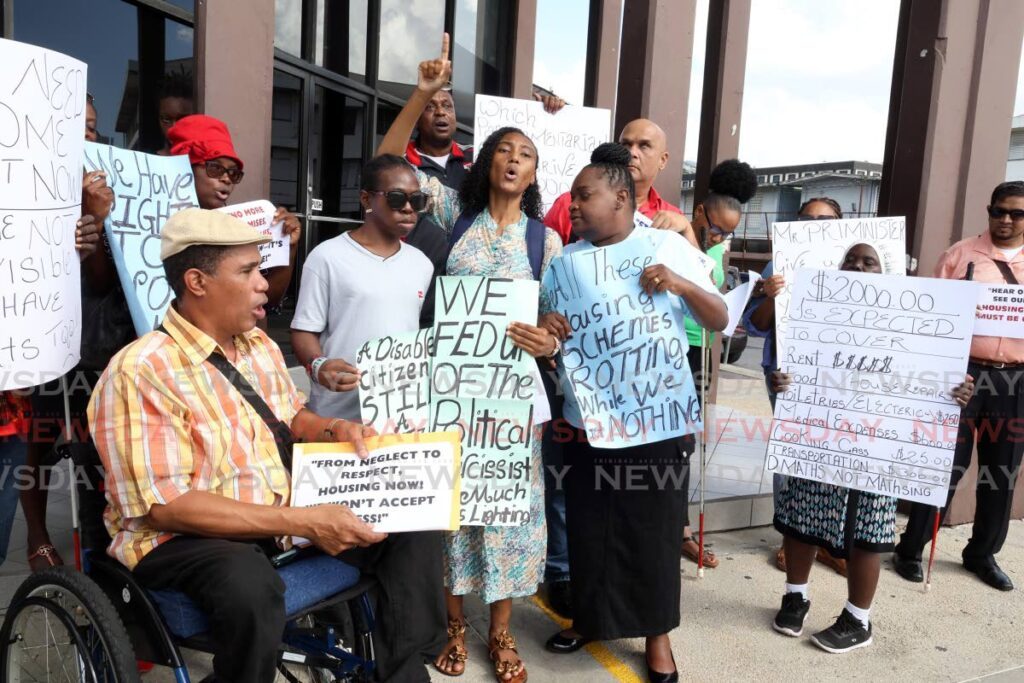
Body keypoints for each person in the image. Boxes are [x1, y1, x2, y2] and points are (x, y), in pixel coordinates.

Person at [88, 208, 444, 682]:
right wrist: (303, 521)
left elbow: (290, 417)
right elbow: (166, 507)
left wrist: (337, 432)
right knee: (249, 583)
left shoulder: (258, 345)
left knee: (413, 517)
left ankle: (401, 673)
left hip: (280, 512)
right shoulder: (141, 371)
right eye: (248, 271)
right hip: (187, 537)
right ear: (197, 281)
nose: (264, 282)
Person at [541, 144, 728, 681]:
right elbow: (552, 337)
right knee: (589, 526)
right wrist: (550, 327)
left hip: (657, 419)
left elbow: (716, 318)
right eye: (573, 196)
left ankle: (657, 636)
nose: (572, 205)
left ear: (621, 197)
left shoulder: (666, 245)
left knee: (652, 530)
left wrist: (683, 283)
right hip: (588, 422)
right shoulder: (565, 262)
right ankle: (590, 619)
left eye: (584, 195)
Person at [770, 242, 975, 653]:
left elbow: (936, 374)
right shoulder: (812, 315)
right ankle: (796, 595)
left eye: (870, 261)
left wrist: (957, 391)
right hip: (819, 437)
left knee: (868, 529)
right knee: (799, 519)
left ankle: (858, 619)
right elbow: (792, 368)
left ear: (888, 271)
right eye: (850, 259)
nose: (858, 267)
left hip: (879, 447)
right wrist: (784, 383)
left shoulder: (915, 321)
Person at [422, 124, 561, 682]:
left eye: (525, 154)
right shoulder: (450, 218)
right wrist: (422, 93)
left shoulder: (542, 241)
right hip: (453, 398)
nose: (513, 159)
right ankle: (455, 624)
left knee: (506, 512)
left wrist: (548, 341)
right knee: (453, 510)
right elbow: (388, 157)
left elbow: (557, 321)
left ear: (531, 175)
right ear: (486, 161)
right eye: (504, 149)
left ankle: (500, 628)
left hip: (511, 404)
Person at [893, 180, 1024, 592]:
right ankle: (910, 549)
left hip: (1014, 379)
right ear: (989, 210)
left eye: (1016, 213)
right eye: (998, 211)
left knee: (1001, 472)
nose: (1005, 219)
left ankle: (982, 554)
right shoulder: (960, 255)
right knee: (943, 467)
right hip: (958, 376)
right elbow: (929, 317)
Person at [22, 94, 114, 571]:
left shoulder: (107, 191)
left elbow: (100, 282)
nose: (85, 136)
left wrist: (95, 220)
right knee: (38, 438)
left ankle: (95, 536)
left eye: (93, 127)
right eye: (73, 126)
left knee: (87, 439)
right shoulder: (23, 186)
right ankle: (36, 535)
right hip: (41, 333)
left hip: (93, 341)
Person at [741, 197, 848, 574]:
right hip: (787, 375)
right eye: (808, 219)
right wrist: (770, 296)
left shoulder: (858, 262)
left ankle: (826, 540)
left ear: (841, 222)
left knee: (835, 456)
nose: (817, 225)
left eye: (826, 219)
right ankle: (790, 538)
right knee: (791, 454)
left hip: (841, 379)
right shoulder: (779, 262)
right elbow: (757, 325)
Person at [290, 155, 436, 423]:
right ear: (366, 200)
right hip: (336, 416)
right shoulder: (327, 257)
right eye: (396, 198)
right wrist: (318, 366)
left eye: (417, 200)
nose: (408, 208)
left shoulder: (422, 264)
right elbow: (303, 329)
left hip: (399, 417)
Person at [677, 158, 758, 569]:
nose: (721, 237)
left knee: (688, 442)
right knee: (674, 443)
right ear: (699, 211)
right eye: (717, 228)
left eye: (729, 232)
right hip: (672, 348)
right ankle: (679, 528)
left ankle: (683, 529)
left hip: (700, 348)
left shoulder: (715, 245)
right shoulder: (677, 236)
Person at [166, 114, 301, 311]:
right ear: (185, 169)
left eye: (233, 173)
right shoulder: (151, 220)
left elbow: (268, 299)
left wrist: (288, 247)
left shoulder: (238, 229)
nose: (227, 179)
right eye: (215, 168)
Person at [543, 118, 697, 246]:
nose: (632, 153)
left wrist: (687, 230)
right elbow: (541, 261)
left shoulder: (673, 218)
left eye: (644, 146)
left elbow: (703, 280)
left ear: (662, 160)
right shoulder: (569, 204)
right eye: (626, 145)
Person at [155, 67, 195, 155]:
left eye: (182, 119)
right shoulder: (145, 164)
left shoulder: (208, 164)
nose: (173, 128)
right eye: (166, 119)